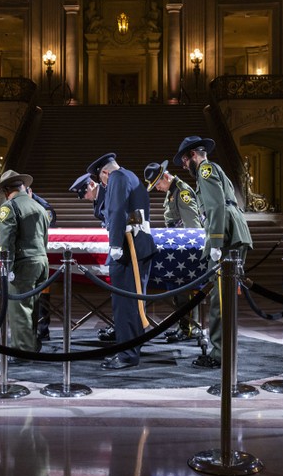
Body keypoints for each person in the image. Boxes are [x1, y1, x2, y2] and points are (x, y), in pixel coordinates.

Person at [173, 136, 253, 369]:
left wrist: (216, 243)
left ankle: (220, 354)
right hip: (232, 232)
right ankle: (223, 348)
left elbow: (216, 206)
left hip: (226, 237)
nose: (185, 166)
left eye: (185, 161)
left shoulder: (205, 170)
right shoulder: (212, 169)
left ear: (192, 156)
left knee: (220, 300)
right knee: (223, 297)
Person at [86, 153, 156, 369]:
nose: (104, 185)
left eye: (102, 180)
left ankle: (127, 355)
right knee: (134, 304)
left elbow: (117, 211)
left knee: (124, 305)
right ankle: (132, 348)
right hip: (140, 246)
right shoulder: (131, 176)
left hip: (127, 249)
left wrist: (115, 244)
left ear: (105, 172)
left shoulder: (116, 178)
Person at [143, 160, 203, 343]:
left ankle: (190, 329)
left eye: (158, 184)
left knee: (185, 291)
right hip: (179, 249)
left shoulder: (182, 192)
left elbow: (192, 226)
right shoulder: (173, 190)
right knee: (179, 293)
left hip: (186, 249)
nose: (158, 188)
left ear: (166, 176)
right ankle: (184, 327)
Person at [0, 170, 50, 364]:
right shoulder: (38, 206)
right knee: (33, 306)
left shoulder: (9, 207)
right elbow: (44, 237)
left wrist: (6, 266)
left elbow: (7, 240)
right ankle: (32, 345)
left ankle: (22, 351)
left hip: (22, 263)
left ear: (7, 190)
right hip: (42, 261)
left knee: (19, 309)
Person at [69, 172, 115, 342]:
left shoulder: (108, 193)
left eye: (84, 193)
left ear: (91, 185)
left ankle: (120, 327)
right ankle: (117, 325)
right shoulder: (99, 197)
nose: (84, 198)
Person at [26, 187, 56, 341]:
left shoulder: (40, 205)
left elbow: (50, 219)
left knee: (41, 291)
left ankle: (41, 329)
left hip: (37, 256)